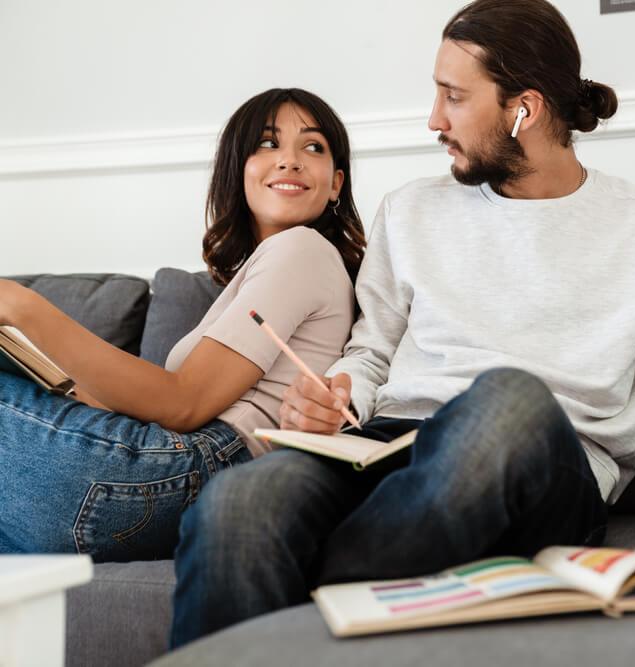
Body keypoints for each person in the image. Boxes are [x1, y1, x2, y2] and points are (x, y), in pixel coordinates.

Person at [169, 0, 635, 647]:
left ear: (523, 110)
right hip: (386, 453)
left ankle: (310, 602)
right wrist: (333, 396)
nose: (433, 120)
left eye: (454, 95)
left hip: (544, 468)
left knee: (506, 399)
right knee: (238, 505)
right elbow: (371, 353)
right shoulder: (411, 211)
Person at [0, 88, 364, 562]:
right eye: (269, 143)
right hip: (172, 472)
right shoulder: (264, 269)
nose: (290, 161)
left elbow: (184, 403)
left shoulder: (303, 249)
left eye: (312, 147)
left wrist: (21, 305)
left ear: (335, 183)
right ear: (239, 168)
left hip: (196, 471)